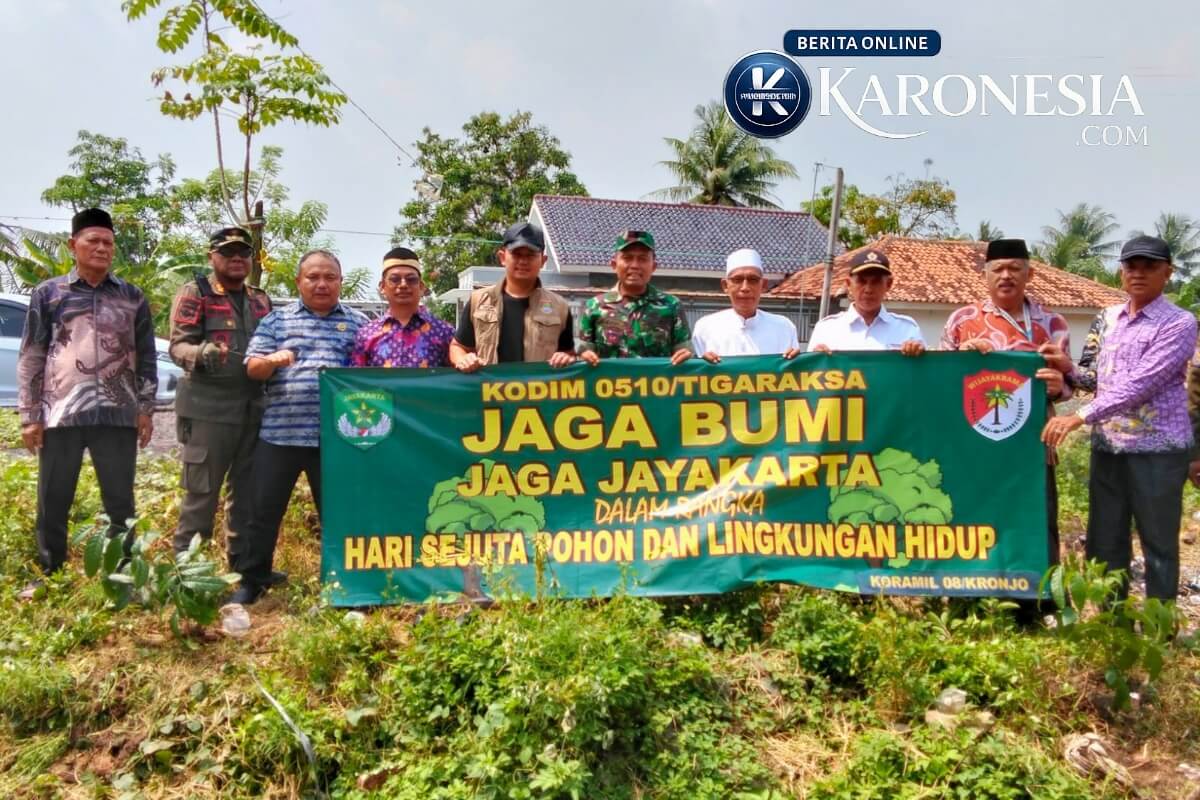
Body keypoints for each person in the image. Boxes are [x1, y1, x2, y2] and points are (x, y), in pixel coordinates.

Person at [1043, 235, 1197, 601]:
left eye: (1150, 267)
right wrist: (1067, 368)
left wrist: (1078, 417)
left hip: (1158, 451)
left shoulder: (1180, 323)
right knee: (1106, 541)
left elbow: (1142, 383)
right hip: (1109, 447)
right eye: (1131, 266)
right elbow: (1095, 379)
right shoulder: (1106, 318)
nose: (1139, 274)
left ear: (1168, 273)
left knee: (1157, 543)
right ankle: (1114, 627)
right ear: (1121, 272)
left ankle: (1161, 631)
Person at [16, 208, 157, 597]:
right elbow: (32, 353)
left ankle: (125, 574)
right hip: (61, 412)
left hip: (118, 413)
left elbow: (146, 355)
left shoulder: (132, 297)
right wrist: (30, 415)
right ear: (72, 245)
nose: (100, 248)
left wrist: (145, 408)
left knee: (120, 499)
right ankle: (50, 573)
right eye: (92, 241)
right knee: (53, 496)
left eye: (107, 243)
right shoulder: (49, 293)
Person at [942, 238, 1072, 619]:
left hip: (1032, 444)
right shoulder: (962, 321)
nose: (1006, 276)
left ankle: (1038, 604)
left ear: (1029, 274)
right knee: (971, 516)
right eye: (997, 269)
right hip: (975, 444)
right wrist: (959, 364)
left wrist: (1058, 385)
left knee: (1036, 518)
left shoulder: (1052, 323)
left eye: (1015, 268)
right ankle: (967, 600)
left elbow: (1070, 381)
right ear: (984, 275)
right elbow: (936, 381)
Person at [232, 250, 366, 604]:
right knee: (262, 512)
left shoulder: (358, 323)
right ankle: (253, 579)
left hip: (337, 440)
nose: (321, 284)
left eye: (330, 277)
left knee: (339, 515)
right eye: (313, 277)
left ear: (340, 281)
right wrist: (271, 361)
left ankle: (343, 582)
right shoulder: (277, 321)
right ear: (298, 281)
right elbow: (252, 368)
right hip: (280, 434)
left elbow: (369, 375)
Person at [168, 227, 273, 570]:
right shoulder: (195, 293)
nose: (237, 259)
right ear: (212, 256)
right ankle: (188, 573)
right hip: (208, 411)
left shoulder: (260, 299)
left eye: (244, 253)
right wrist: (201, 353)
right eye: (228, 253)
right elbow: (177, 345)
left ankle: (241, 570)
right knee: (201, 496)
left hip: (253, 408)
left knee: (246, 496)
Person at [449, 222, 576, 372]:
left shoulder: (559, 307)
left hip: (538, 392)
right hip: (491, 392)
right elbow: (457, 347)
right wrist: (463, 359)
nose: (523, 261)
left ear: (543, 260)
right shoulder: (479, 301)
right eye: (516, 254)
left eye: (531, 255)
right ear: (502, 257)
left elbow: (569, 353)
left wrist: (566, 358)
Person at [577, 229, 693, 365]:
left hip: (656, 385)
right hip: (610, 385)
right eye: (627, 258)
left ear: (654, 266)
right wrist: (584, 356)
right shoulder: (593, 307)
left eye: (642, 259)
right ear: (614, 265)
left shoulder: (671, 306)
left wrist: (687, 355)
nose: (635, 265)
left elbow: (685, 356)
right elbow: (582, 357)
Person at [806, 249, 925, 355]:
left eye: (876, 282)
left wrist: (917, 356)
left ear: (888, 284)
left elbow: (922, 374)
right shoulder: (827, 329)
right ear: (848, 284)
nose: (868, 289)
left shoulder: (907, 329)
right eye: (861, 281)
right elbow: (809, 375)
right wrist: (818, 359)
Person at [350, 247, 453, 368]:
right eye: (394, 279)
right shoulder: (366, 334)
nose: (403, 285)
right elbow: (355, 382)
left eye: (411, 279)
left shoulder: (444, 332)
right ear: (382, 287)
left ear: (421, 287)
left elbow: (460, 380)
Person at [692, 248, 800, 361]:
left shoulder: (784, 327)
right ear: (725, 285)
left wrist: (795, 362)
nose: (745, 288)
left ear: (763, 285)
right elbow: (694, 373)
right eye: (737, 280)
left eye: (753, 280)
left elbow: (797, 373)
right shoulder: (705, 327)